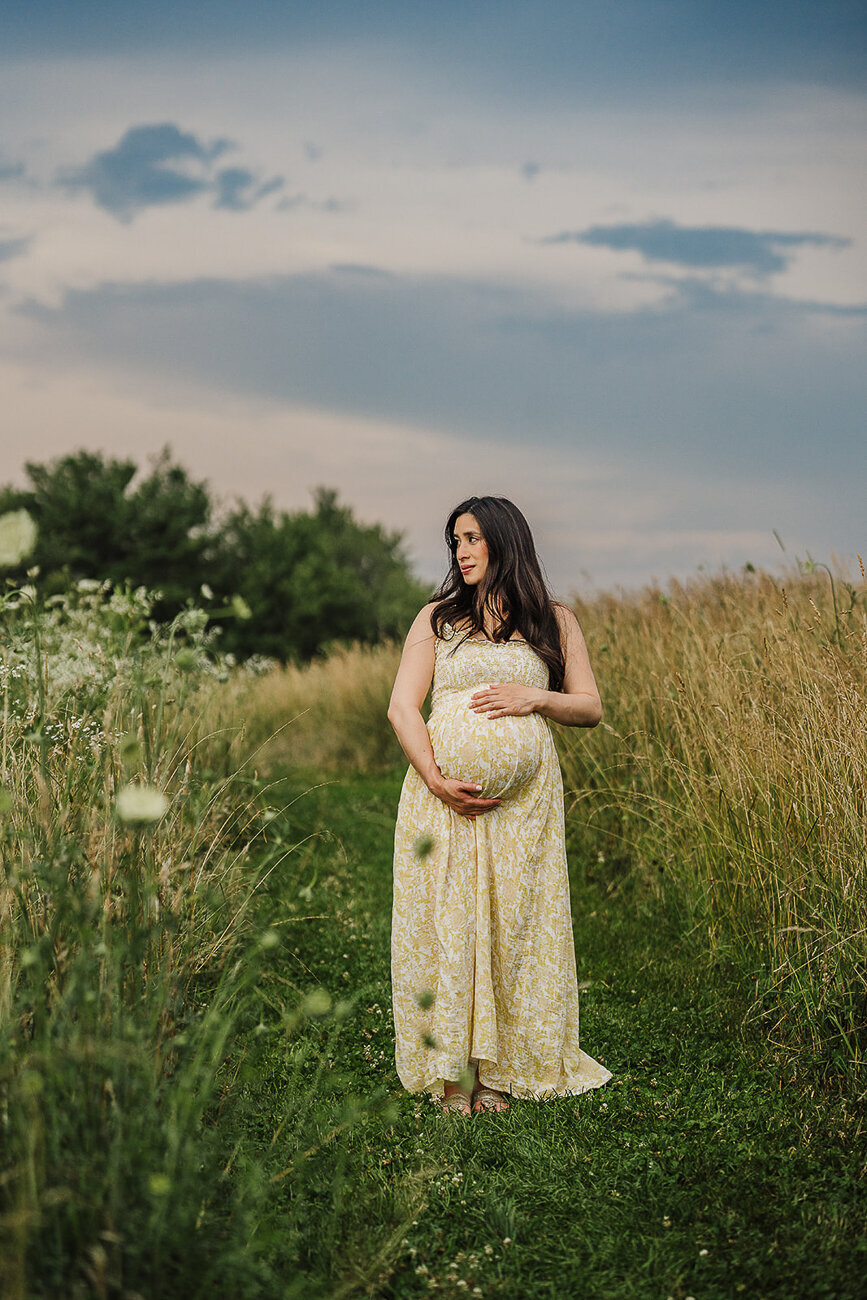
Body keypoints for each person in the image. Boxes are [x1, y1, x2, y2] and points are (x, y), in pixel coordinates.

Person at [387, 495, 613, 1116]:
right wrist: (435, 778)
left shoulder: (554, 620)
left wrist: (533, 698)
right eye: (455, 540)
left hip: (524, 810)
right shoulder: (435, 619)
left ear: (504, 542)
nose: (461, 551)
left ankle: (501, 1071)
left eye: (473, 539)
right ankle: (454, 1077)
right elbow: (403, 707)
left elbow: (590, 707)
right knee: (450, 925)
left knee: (513, 926)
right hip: (441, 802)